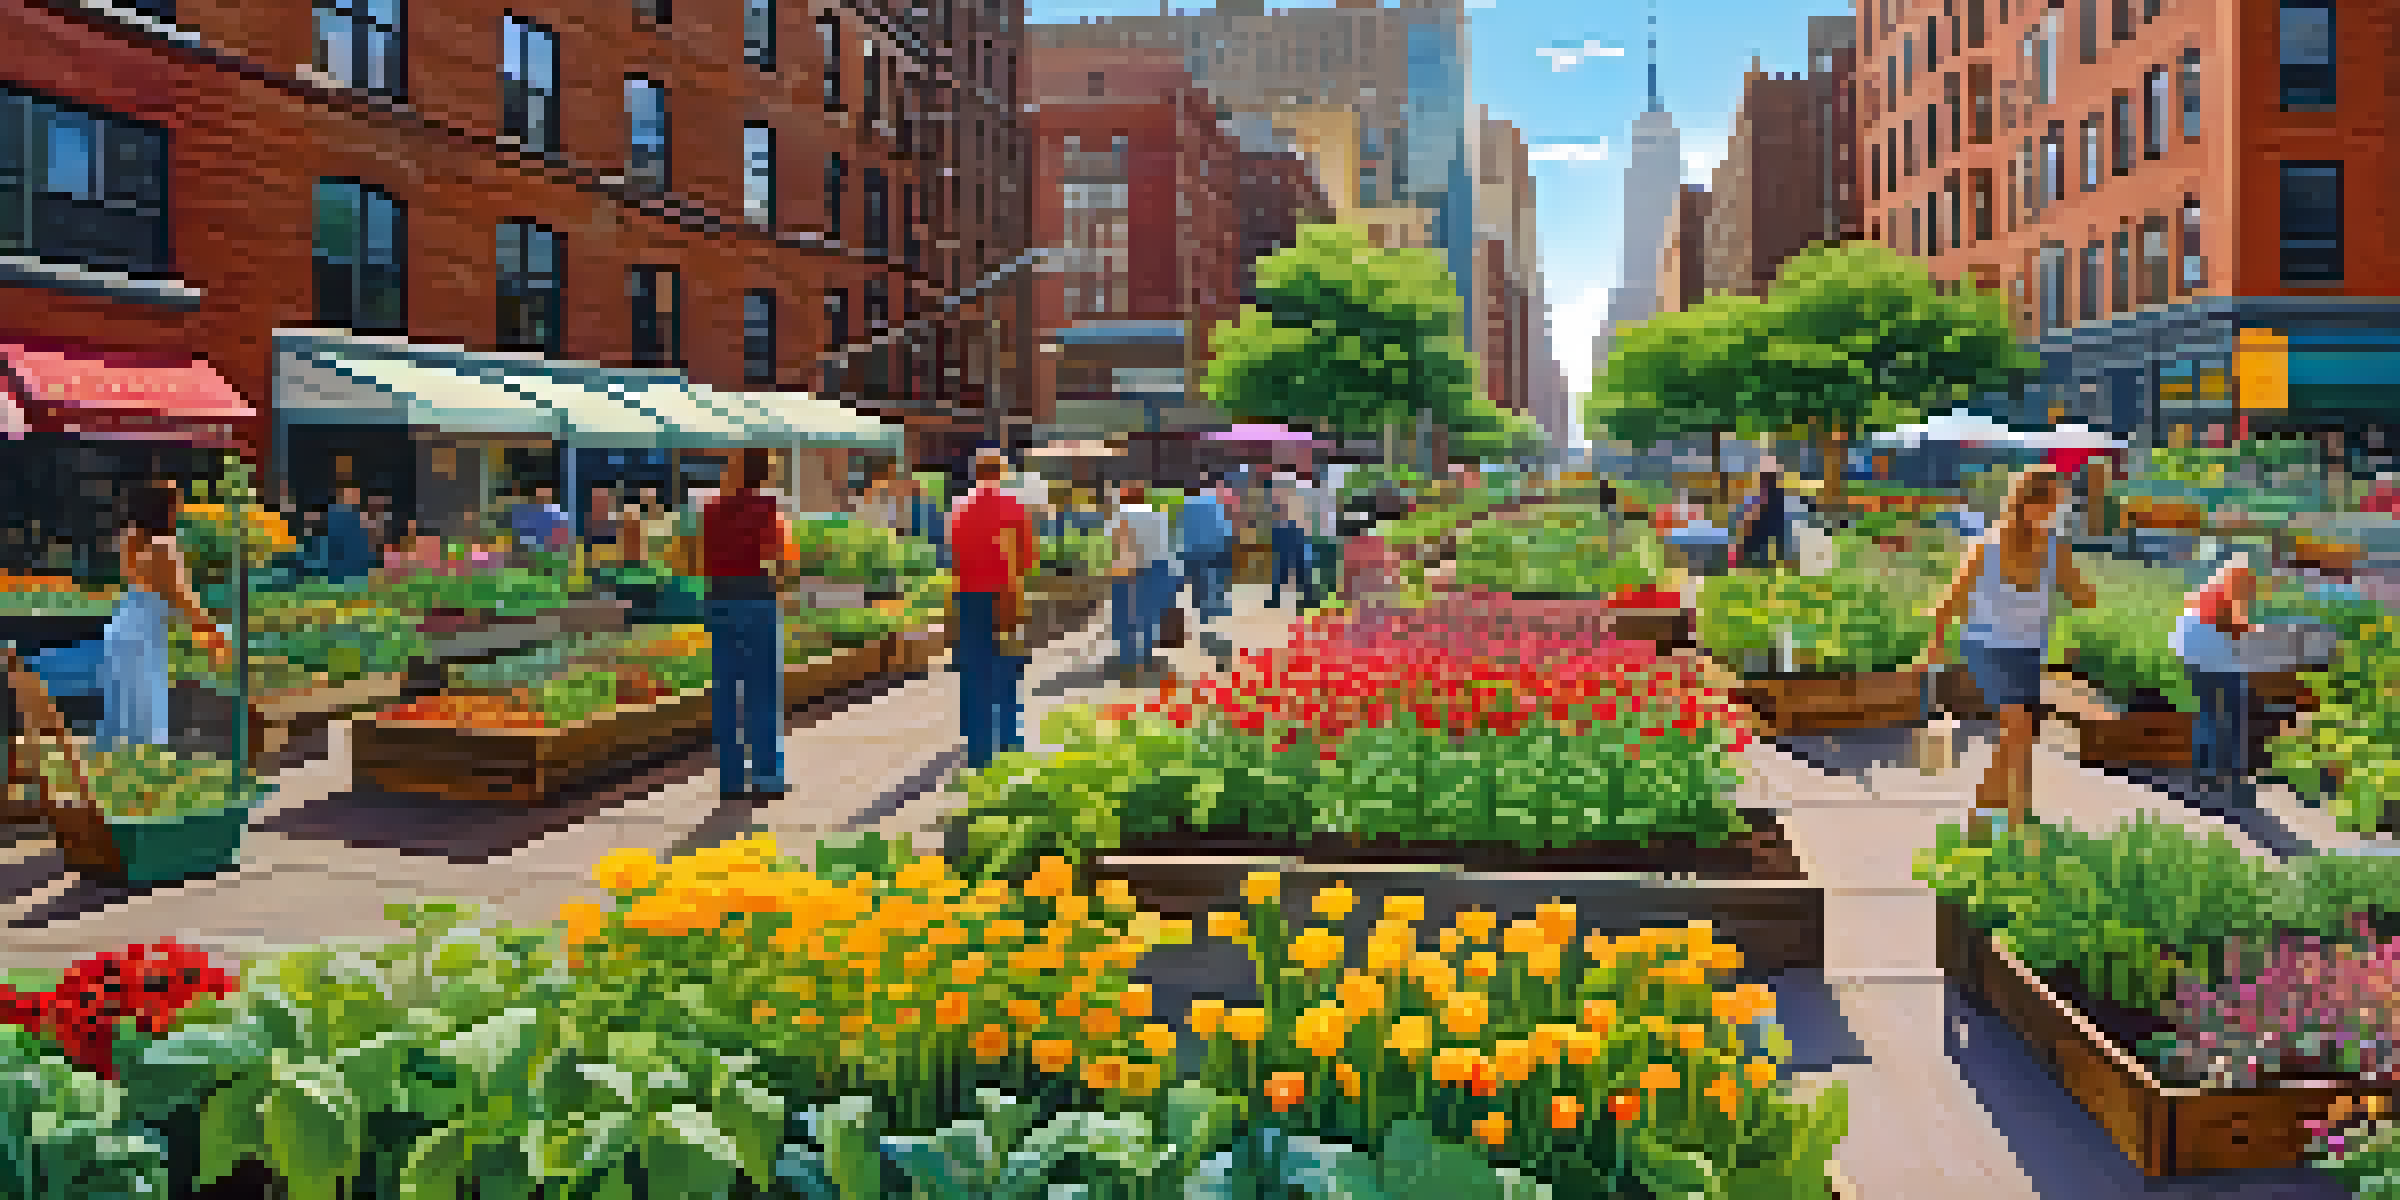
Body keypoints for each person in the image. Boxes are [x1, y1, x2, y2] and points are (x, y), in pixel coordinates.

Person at [1921, 466, 2097, 840]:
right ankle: (1998, 822)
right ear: (2025, 503)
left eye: (2059, 504)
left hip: (2027, 650)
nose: (2055, 510)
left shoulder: (2054, 549)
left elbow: (2084, 597)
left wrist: (2079, 587)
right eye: (2050, 502)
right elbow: (1949, 604)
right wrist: (1933, 649)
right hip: (1986, 647)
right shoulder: (1987, 547)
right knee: (2017, 728)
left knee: (2022, 736)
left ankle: (2001, 816)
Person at [102, 484, 232, 749]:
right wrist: (214, 633)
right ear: (166, 509)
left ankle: (120, 771)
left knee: (123, 710)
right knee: (145, 712)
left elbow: (155, 593)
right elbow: (184, 600)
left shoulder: (130, 540)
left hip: (122, 627)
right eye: (178, 504)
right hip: (143, 636)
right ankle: (142, 773)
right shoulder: (165, 548)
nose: (182, 510)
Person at [699, 449, 793, 801]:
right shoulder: (768, 509)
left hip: (718, 600)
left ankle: (731, 780)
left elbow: (698, 556)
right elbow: (778, 557)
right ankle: (767, 775)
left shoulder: (710, 509)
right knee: (762, 691)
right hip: (756, 598)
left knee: (725, 692)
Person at [951, 448, 1038, 768]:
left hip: (969, 594)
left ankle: (978, 750)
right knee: (1007, 667)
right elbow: (1028, 559)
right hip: (1006, 595)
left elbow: (954, 555)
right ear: (1001, 471)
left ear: (975, 472)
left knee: (974, 670)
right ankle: (1009, 743)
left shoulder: (959, 507)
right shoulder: (1013, 506)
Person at [2173, 555, 2259, 800]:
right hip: (2207, 647)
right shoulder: (2230, 586)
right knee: (2232, 705)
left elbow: (2231, 625)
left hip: (2191, 646)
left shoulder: (2211, 587)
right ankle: (2228, 773)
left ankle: (2204, 772)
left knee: (2208, 708)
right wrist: (2257, 635)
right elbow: (2235, 625)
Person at [1109, 482, 1172, 681]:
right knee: (1147, 617)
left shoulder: (1122, 515)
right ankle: (1146, 658)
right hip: (1155, 568)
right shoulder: (1157, 514)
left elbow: (1114, 543)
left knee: (1124, 617)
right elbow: (1163, 545)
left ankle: (1127, 664)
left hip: (1128, 569)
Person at [1179, 473, 1233, 623]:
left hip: (1194, 549)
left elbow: (1182, 529)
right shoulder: (1213, 502)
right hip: (1213, 546)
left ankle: (1203, 613)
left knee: (1200, 581)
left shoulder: (1186, 504)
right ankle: (1219, 608)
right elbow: (1222, 526)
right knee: (1216, 577)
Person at [1267, 471, 1320, 610]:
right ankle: (1306, 598)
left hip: (1293, 528)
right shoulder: (1299, 485)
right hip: (1289, 528)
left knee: (1292, 564)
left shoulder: (1299, 486)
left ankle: (1305, 598)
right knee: (1289, 564)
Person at [1736, 468, 1794, 570]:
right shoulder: (1777, 494)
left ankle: (1754, 563)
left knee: (1760, 548)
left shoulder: (1767, 494)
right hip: (1769, 528)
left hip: (1765, 527)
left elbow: (1753, 511)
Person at [322, 485, 376, 584]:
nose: (355, 498)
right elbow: (333, 543)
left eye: (356, 495)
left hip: (357, 570)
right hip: (341, 569)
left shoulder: (360, 517)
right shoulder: (336, 516)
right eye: (351, 495)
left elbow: (365, 544)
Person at [510, 485, 571, 554]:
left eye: (547, 495)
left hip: (550, 547)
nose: (544, 498)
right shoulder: (528, 511)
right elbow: (521, 532)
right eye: (541, 495)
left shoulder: (556, 511)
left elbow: (563, 532)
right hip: (529, 548)